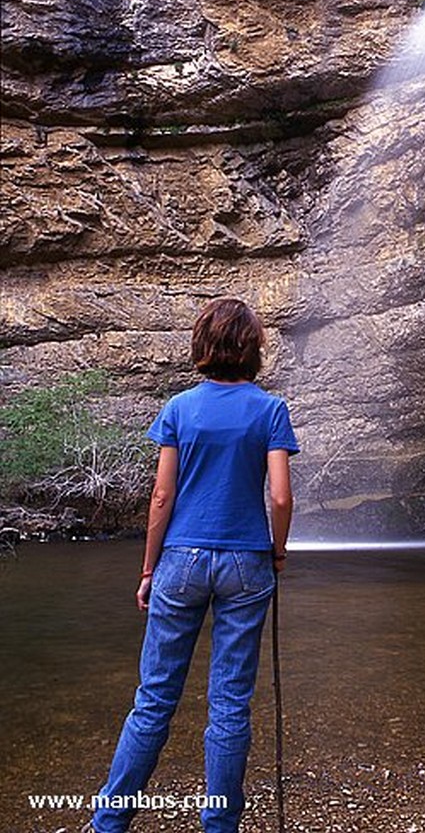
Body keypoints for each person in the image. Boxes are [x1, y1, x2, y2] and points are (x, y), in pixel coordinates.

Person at [84, 297, 299, 833]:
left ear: (202, 346)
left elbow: (162, 496)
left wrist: (148, 569)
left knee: (154, 697)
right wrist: (276, 551)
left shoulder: (179, 408)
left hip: (180, 560)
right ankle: (219, 825)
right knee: (229, 701)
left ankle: (110, 822)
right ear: (253, 350)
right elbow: (279, 497)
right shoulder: (270, 410)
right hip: (247, 564)